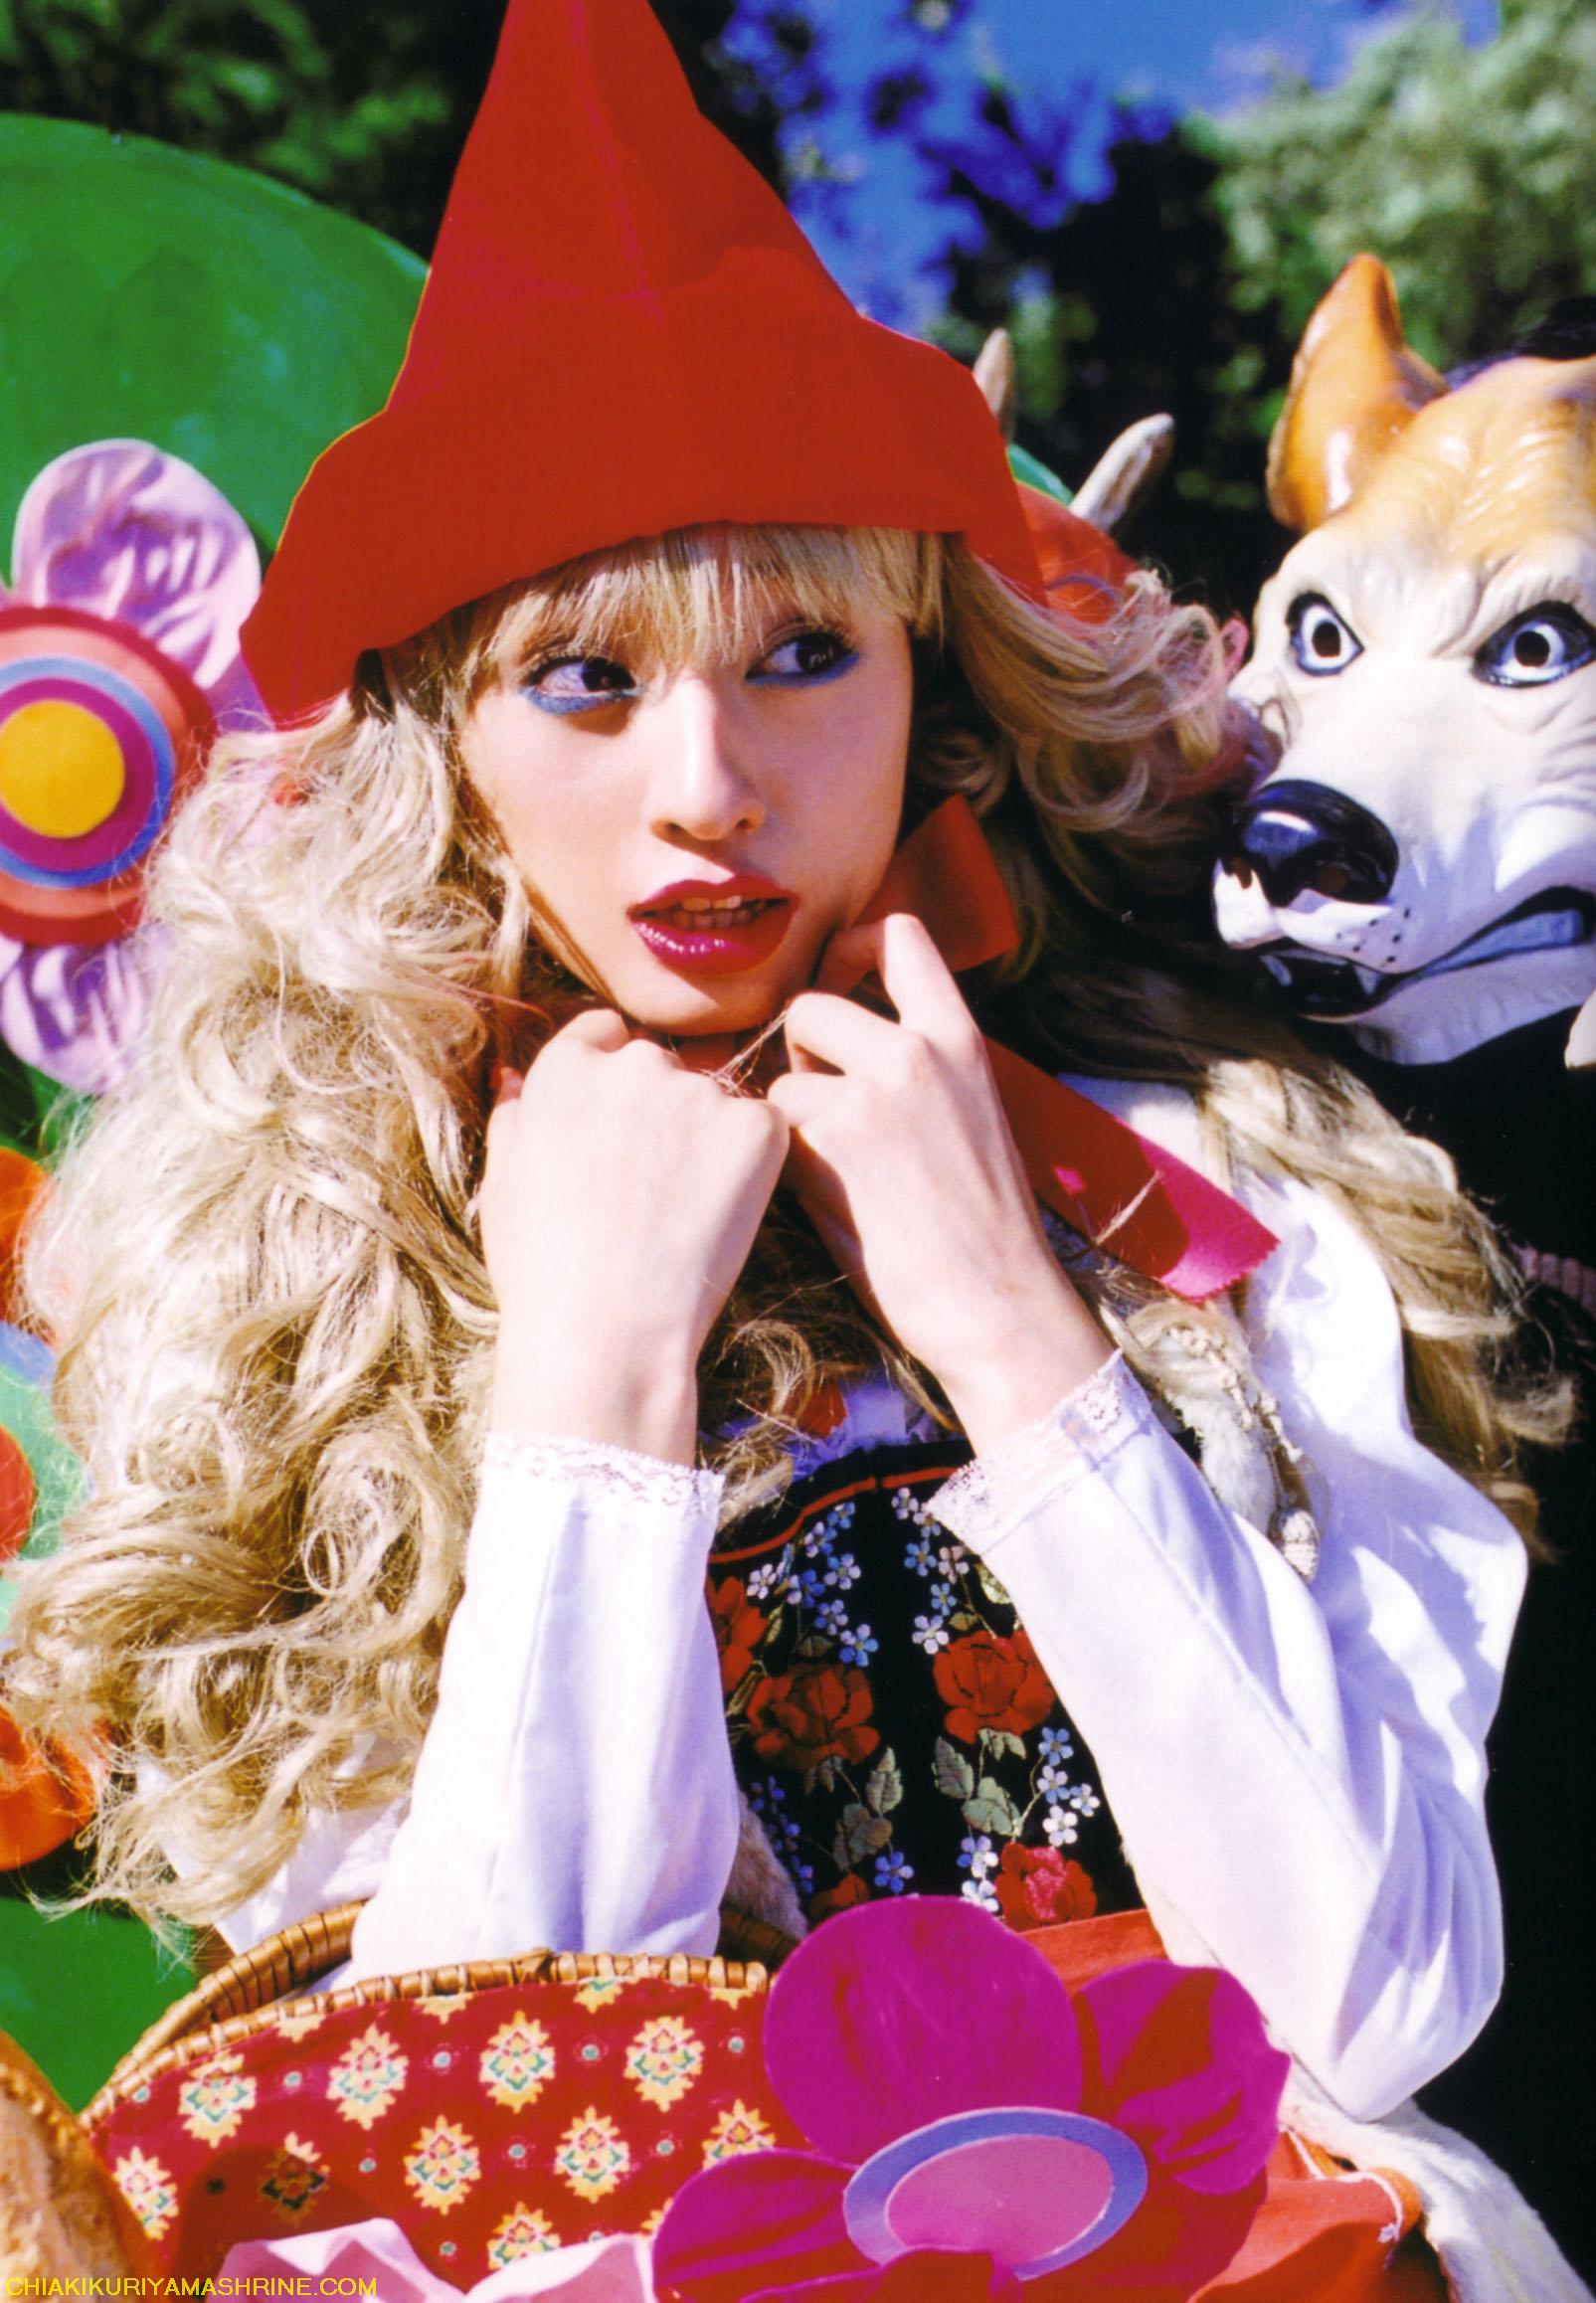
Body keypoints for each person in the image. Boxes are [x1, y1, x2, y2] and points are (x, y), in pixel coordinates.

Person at [2, 1, 1581, 2294]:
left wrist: (1013, 1327)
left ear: (930, 678)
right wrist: (589, 1389)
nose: (708, 790)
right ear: (444, 733)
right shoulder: (295, 1282)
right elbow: (450, 2140)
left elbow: (1372, 2001)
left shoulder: (1227, 1182)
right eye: (587, 678)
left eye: (801, 652)